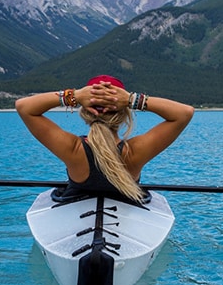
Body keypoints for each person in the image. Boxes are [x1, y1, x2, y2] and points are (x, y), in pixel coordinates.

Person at [15, 75, 194, 203]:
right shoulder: (134, 152)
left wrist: (74, 96)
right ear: (125, 113)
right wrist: (133, 99)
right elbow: (184, 113)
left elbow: (24, 107)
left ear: (85, 111)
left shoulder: (73, 149)